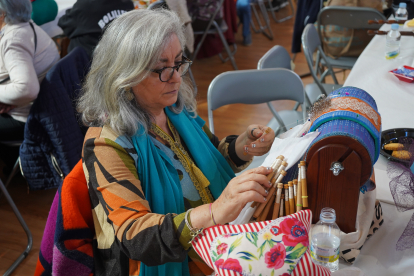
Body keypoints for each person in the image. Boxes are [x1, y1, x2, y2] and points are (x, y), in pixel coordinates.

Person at [78, 9, 276, 276]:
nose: (176, 77)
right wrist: (216, 211)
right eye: (161, 69)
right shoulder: (107, 144)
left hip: (214, 242)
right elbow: (136, 236)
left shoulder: (175, 110)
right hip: (161, 263)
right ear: (125, 77)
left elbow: (209, 161)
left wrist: (244, 146)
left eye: (179, 62)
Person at [0, 0, 59, 173]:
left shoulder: (13, 39)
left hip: (26, 119)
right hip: (36, 110)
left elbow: (26, 89)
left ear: (2, 12)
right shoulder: (25, 26)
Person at [58, 0, 134, 57]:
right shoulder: (128, 3)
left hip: (88, 64)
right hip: (119, 59)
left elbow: (64, 24)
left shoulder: (86, 5)